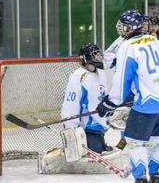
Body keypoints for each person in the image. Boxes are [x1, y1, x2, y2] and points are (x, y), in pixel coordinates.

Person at [96, 10, 159, 183]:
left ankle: (140, 177)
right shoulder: (153, 40)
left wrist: (112, 101)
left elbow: (122, 78)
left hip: (145, 103)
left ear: (130, 27)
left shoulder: (127, 47)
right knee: (154, 140)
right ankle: (156, 176)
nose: (121, 28)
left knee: (134, 140)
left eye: (124, 25)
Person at [38, 43, 121, 174]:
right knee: (86, 159)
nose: (99, 58)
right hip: (85, 130)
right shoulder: (79, 76)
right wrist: (72, 132)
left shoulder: (100, 73)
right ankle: (56, 157)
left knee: (102, 151)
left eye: (99, 55)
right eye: (95, 55)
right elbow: (70, 106)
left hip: (97, 128)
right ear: (86, 59)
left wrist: (107, 118)